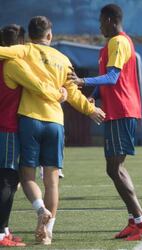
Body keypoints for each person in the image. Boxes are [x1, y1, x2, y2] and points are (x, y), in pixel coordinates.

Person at [0, 16, 106, 245]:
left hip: (29, 120)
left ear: (29, 36)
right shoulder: (63, 58)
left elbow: (2, 53)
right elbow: (74, 92)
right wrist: (90, 110)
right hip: (56, 123)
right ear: (50, 35)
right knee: (52, 182)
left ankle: (40, 211)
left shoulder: (24, 51)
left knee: (26, 176)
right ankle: (47, 232)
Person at [68, 4, 142, 241]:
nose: (99, 26)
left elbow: (113, 77)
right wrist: (94, 95)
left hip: (122, 110)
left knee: (115, 168)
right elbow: (107, 80)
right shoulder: (110, 44)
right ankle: (134, 220)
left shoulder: (119, 42)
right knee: (114, 168)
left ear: (109, 19)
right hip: (117, 110)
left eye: (100, 21)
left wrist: (82, 81)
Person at [0, 24, 68, 247]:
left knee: (18, 178)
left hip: (25, 123)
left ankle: (5, 229)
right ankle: (40, 229)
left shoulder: (16, 59)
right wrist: (60, 94)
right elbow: (38, 85)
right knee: (11, 180)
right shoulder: (15, 63)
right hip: (17, 126)